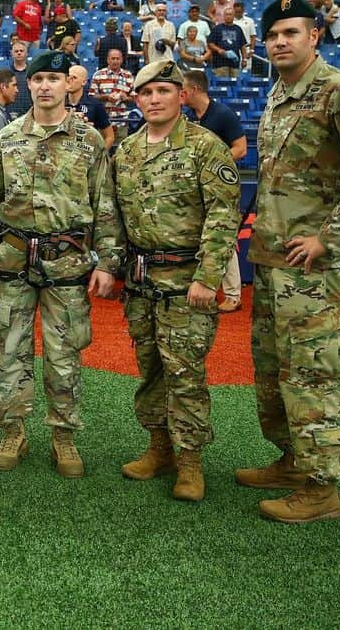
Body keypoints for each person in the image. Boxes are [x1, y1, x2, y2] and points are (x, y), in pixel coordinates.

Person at [236, 0, 340, 523]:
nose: (280, 41)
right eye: (273, 34)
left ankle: (320, 488)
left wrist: (331, 239)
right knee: (274, 373)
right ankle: (291, 461)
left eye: (291, 32)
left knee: (313, 375)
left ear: (315, 36)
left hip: (315, 274)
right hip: (274, 266)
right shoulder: (280, 93)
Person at [0, 50, 121, 475]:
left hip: (68, 266)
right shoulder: (8, 139)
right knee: (10, 350)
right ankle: (13, 431)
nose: (45, 86)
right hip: (15, 262)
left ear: (67, 85)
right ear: (30, 85)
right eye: (38, 80)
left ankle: (63, 437)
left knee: (64, 353)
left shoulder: (88, 141)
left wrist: (108, 263)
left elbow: (104, 205)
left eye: (54, 78)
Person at [113, 60, 240, 502]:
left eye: (163, 92)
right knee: (150, 370)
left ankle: (190, 462)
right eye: (145, 93)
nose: (153, 100)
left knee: (184, 373)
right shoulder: (126, 152)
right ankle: (159, 448)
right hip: (142, 283)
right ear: (137, 99)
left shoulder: (206, 148)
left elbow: (224, 216)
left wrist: (209, 277)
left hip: (188, 283)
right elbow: (114, 218)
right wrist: (112, 268)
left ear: (180, 96)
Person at [180, 70, 246, 311]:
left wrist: (213, 168)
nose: (181, 93)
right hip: (194, 188)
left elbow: (241, 148)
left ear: (195, 90)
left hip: (219, 188)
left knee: (221, 237)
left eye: (184, 89)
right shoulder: (188, 116)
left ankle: (233, 295)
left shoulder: (222, 114)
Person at [65, 64, 114, 148]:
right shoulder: (58, 103)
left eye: (74, 78)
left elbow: (110, 136)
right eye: (68, 77)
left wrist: (99, 156)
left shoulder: (95, 105)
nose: (69, 80)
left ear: (84, 82)